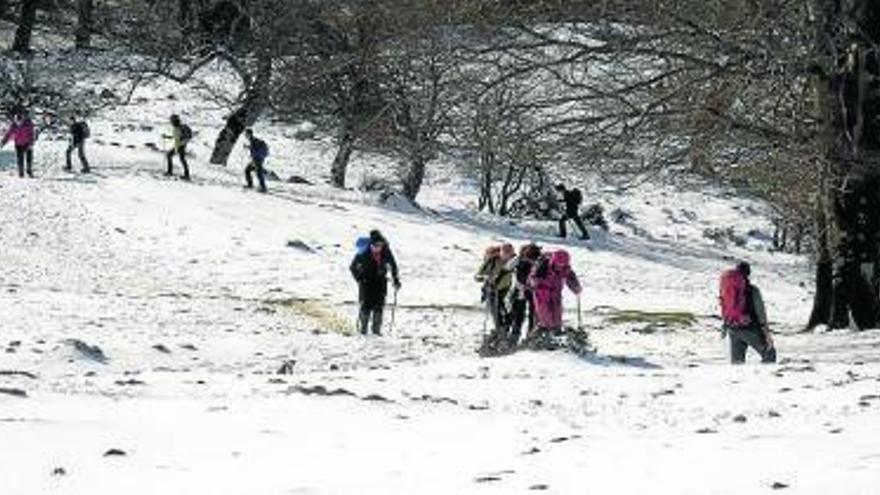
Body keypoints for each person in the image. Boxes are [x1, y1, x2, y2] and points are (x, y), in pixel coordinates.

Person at [719, 261, 776, 364]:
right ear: (748, 273)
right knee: (769, 353)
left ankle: (737, 380)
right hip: (749, 328)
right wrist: (766, 332)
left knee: (737, 362)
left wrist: (725, 326)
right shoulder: (752, 290)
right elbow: (760, 312)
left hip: (732, 328)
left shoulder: (727, 287)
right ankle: (768, 378)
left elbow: (725, 307)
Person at [349, 229, 401, 336]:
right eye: (375, 246)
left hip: (380, 282)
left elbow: (393, 265)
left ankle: (376, 332)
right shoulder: (363, 252)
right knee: (366, 306)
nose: (378, 248)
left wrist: (396, 279)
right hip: (366, 282)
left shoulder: (386, 251)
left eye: (380, 246)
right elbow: (352, 267)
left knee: (379, 306)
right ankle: (363, 331)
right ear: (370, 244)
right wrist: (359, 279)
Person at [528, 249, 582, 345]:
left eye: (562, 265)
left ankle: (556, 335)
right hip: (542, 293)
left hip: (556, 293)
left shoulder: (565, 268)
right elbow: (533, 277)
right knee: (545, 316)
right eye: (558, 264)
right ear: (554, 261)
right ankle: (539, 337)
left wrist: (575, 287)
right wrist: (535, 283)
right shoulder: (543, 265)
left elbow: (570, 277)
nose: (560, 267)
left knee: (557, 316)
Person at [475, 243, 516, 349]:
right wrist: (486, 277)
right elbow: (478, 275)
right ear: (501, 252)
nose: (507, 255)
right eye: (505, 253)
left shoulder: (514, 262)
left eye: (509, 253)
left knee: (508, 314)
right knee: (496, 313)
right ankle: (499, 336)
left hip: (506, 291)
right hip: (492, 291)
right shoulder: (492, 261)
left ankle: (500, 335)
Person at [505, 243, 542, 347]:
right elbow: (508, 267)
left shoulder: (539, 261)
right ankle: (514, 338)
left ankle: (530, 337)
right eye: (529, 259)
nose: (531, 261)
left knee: (533, 314)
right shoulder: (519, 260)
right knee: (518, 314)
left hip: (533, 291)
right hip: (520, 290)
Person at [1, 110, 37, 178]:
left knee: (29, 158)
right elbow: (8, 134)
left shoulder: (28, 124)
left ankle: (29, 171)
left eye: (20, 121)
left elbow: (31, 134)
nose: (18, 123)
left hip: (27, 143)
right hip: (18, 144)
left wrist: (31, 143)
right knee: (20, 158)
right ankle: (21, 172)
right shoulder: (13, 125)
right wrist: (3, 142)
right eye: (17, 121)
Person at [164, 114, 191, 180]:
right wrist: (167, 137)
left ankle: (186, 175)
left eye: (172, 120)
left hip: (181, 146)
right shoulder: (176, 128)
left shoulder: (181, 127)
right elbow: (176, 137)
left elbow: (187, 137)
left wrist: (182, 142)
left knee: (181, 159)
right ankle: (172, 172)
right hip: (178, 145)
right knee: (171, 156)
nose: (171, 122)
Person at [243, 128, 268, 193]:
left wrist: (249, 148)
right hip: (258, 159)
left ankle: (263, 188)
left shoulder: (253, 140)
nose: (245, 135)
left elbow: (254, 149)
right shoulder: (254, 140)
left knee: (257, 172)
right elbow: (254, 148)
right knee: (249, 170)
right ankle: (252, 185)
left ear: (249, 134)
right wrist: (248, 147)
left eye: (246, 134)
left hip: (257, 159)